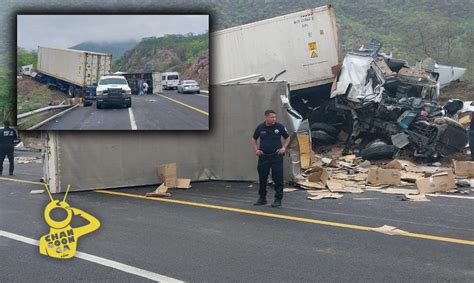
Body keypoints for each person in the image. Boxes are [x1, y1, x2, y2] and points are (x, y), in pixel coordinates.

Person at [251, 110, 290, 207]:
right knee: (263, 178)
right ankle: (262, 198)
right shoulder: (260, 127)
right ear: (266, 117)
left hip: (276, 156)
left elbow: (287, 137)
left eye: (275, 117)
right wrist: (256, 150)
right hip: (263, 156)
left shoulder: (279, 127)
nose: (274, 119)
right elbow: (253, 139)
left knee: (278, 178)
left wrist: (284, 148)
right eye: (272, 117)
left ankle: (278, 199)